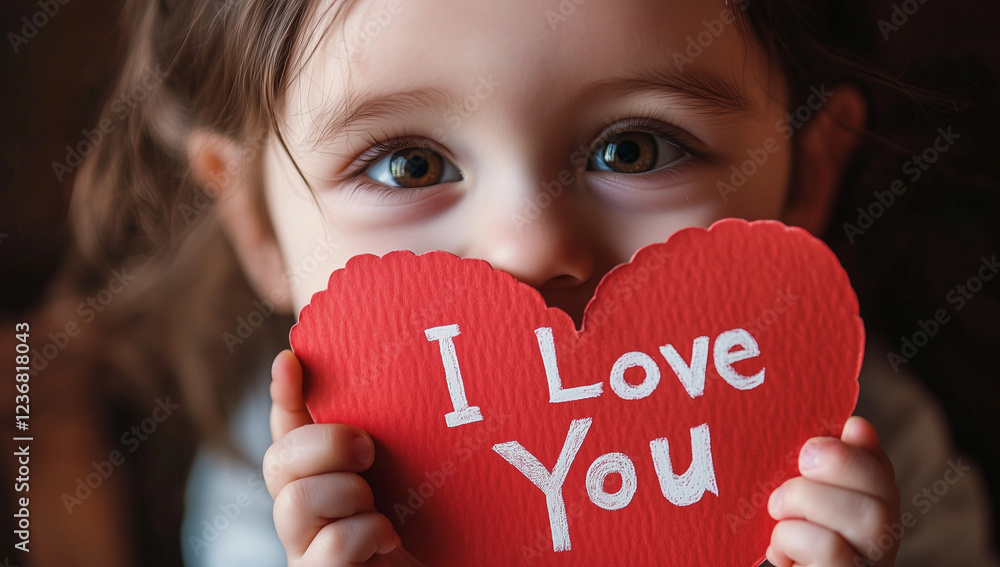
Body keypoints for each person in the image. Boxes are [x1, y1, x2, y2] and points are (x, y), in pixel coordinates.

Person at [59, 0, 999, 566]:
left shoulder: (848, 449)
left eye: (635, 148)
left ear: (807, 177)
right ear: (258, 227)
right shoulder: (284, 500)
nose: (528, 247)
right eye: (410, 167)